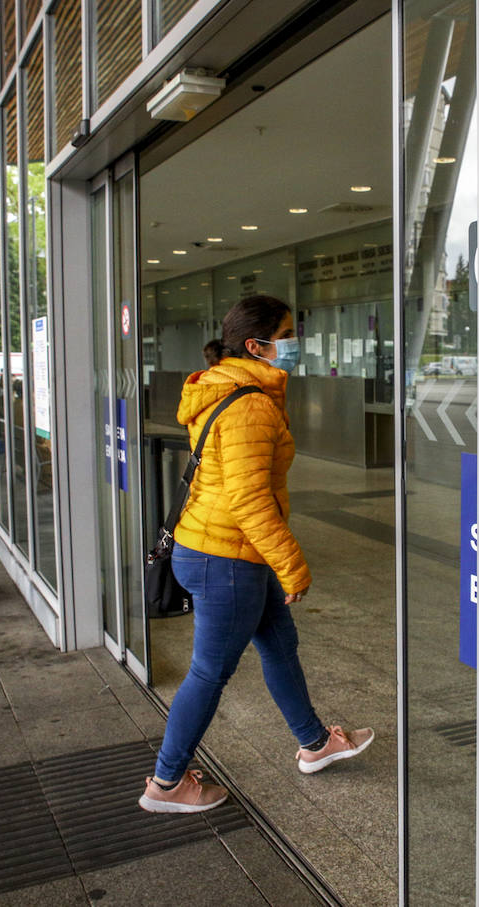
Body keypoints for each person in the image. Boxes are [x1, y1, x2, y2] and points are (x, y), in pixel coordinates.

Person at [139, 295, 372, 815]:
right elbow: (249, 499)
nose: (294, 345)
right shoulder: (248, 404)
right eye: (287, 335)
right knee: (209, 672)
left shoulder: (233, 389)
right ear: (256, 345)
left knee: (280, 644)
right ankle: (166, 783)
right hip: (227, 557)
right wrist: (292, 563)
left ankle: (314, 743)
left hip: (223, 549)